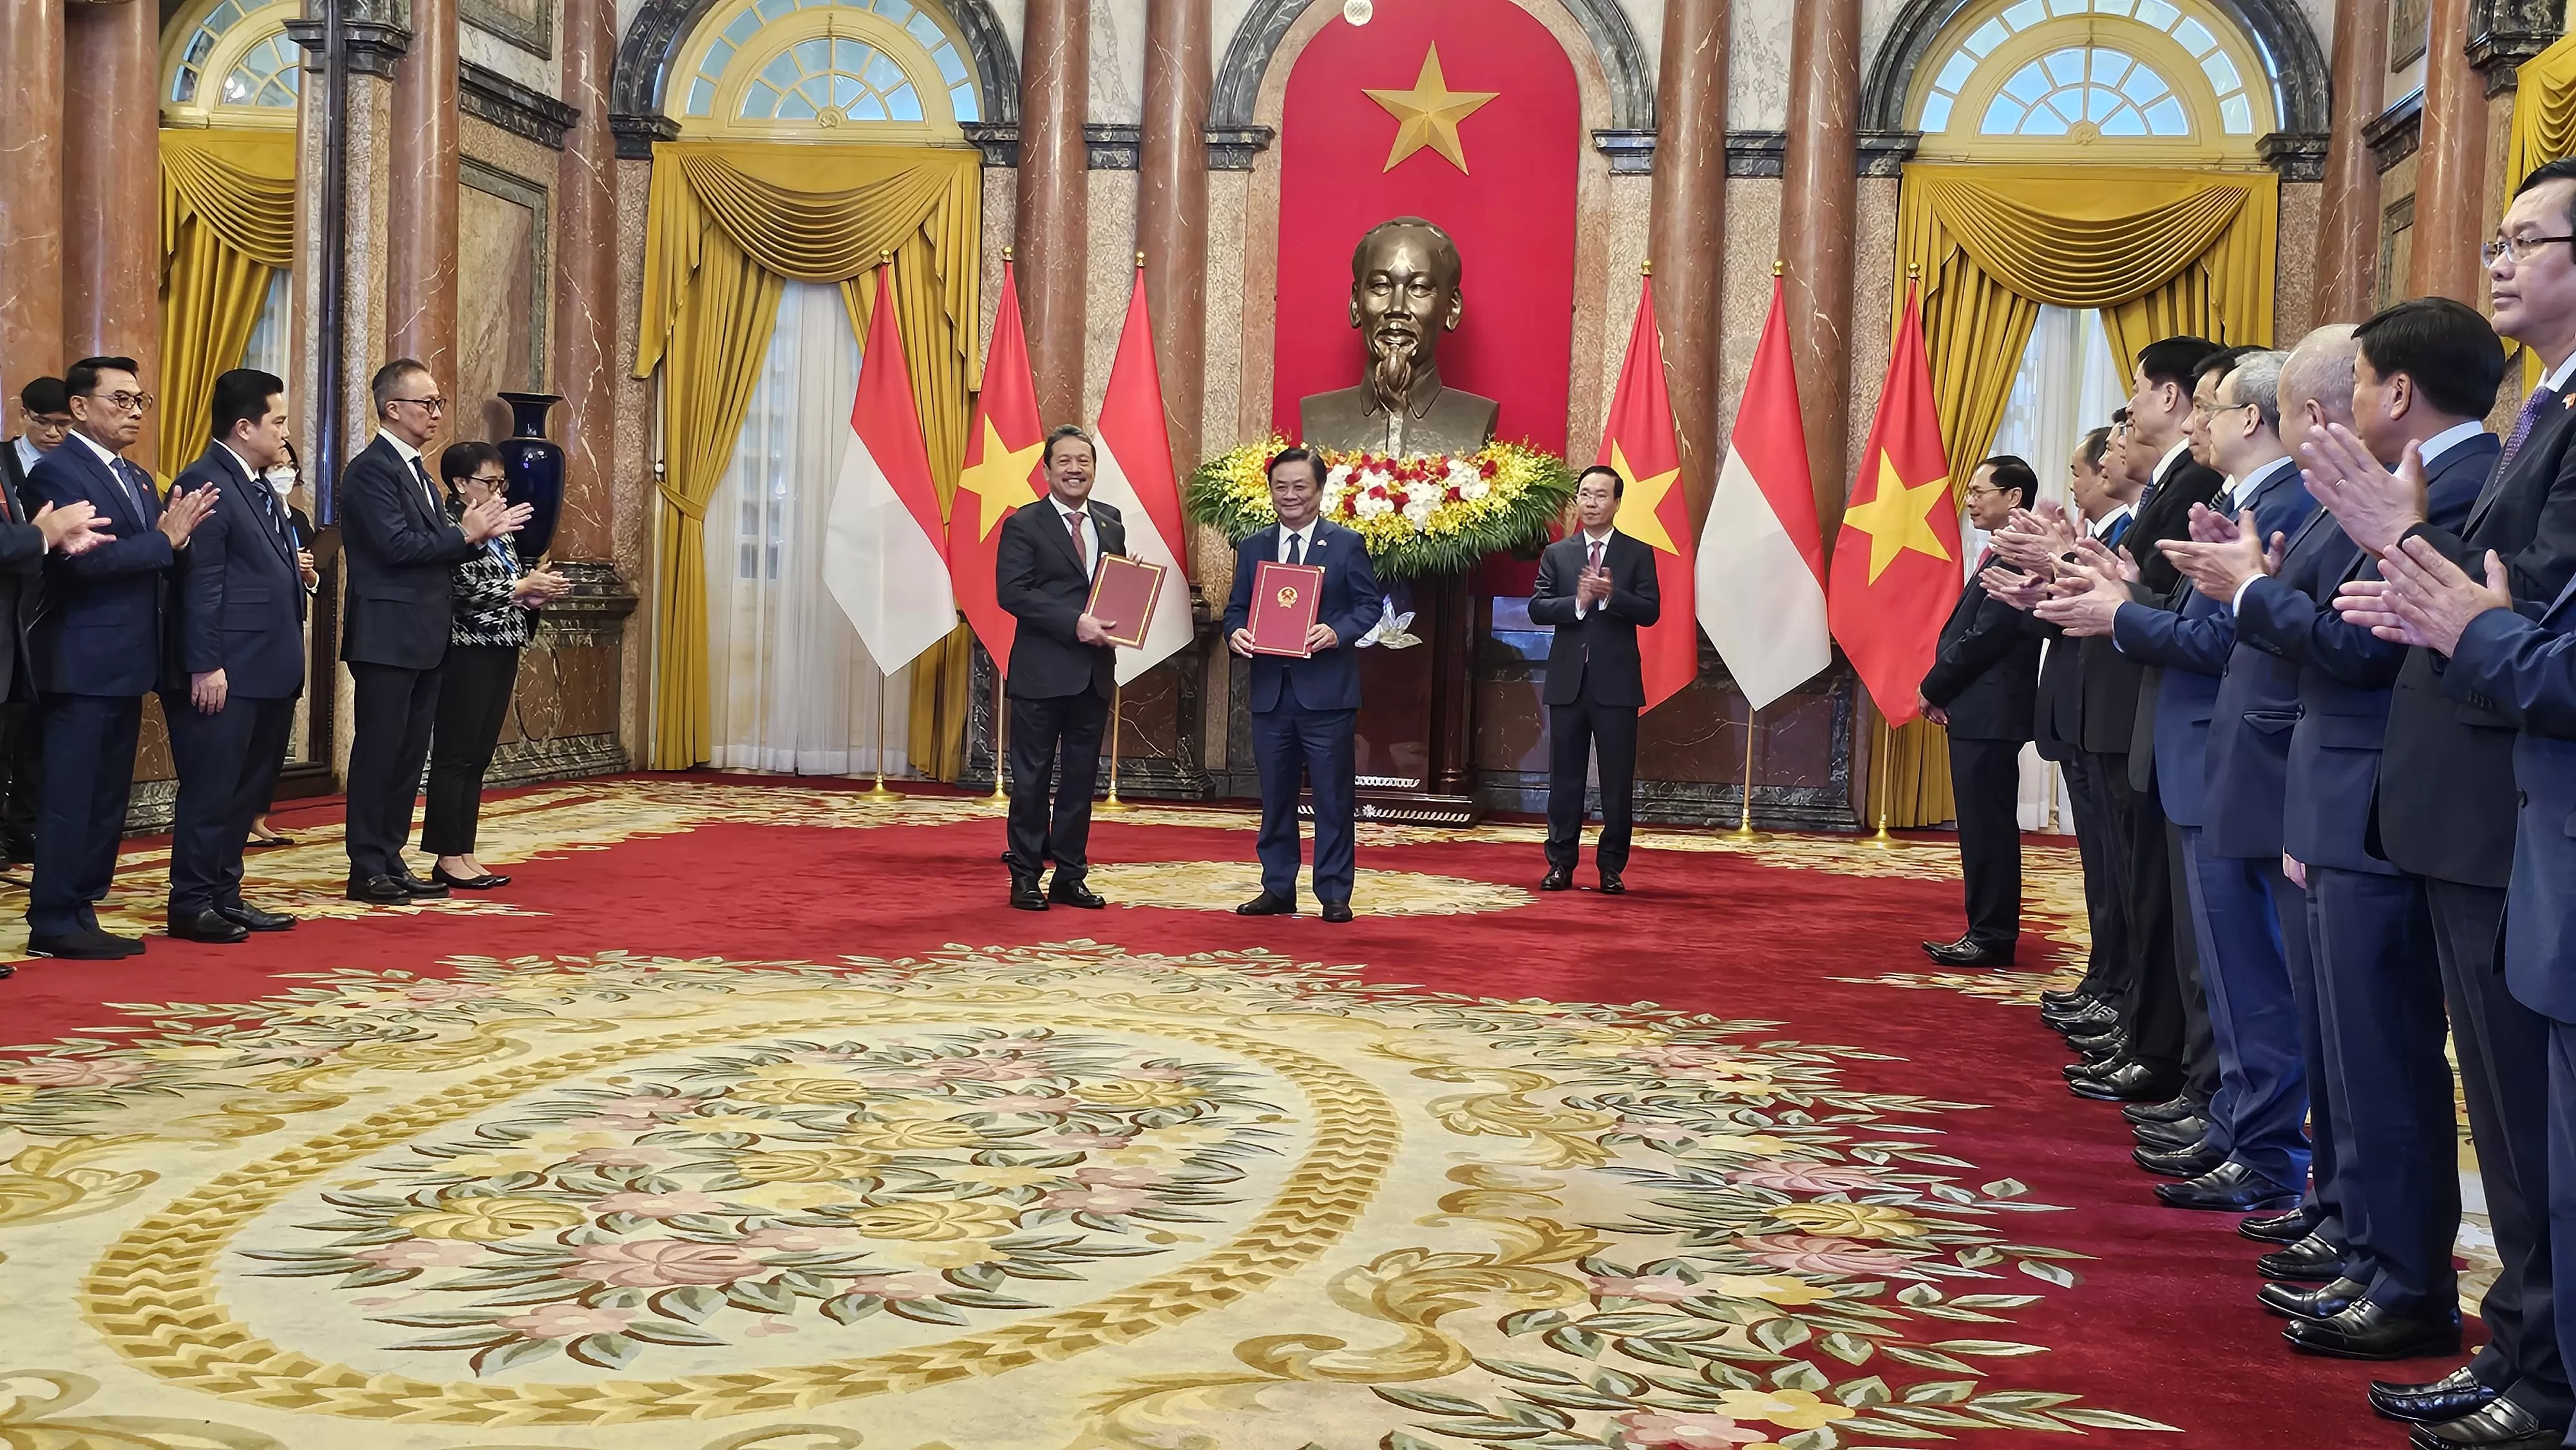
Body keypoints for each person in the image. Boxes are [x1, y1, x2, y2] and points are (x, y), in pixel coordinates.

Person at [2300, 164, 2576, 1382]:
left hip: (2498, 808)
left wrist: (2400, 545)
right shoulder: (2543, 420)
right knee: (2510, 1118)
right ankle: (2518, 1349)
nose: (2500, 259)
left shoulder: (2508, 445)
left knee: (2522, 1119)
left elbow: (2519, 613)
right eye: (2497, 238)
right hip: (2472, 802)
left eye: (2525, 238)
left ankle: (2531, 1357)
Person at [23, 356, 214, 959]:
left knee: (107, 799)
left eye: (140, 401)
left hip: (128, 661)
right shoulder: (58, 473)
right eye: (121, 399)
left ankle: (82, 909)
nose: (134, 411)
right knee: (71, 795)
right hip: (80, 660)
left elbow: (153, 552)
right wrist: (163, 541)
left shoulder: (134, 476)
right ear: (80, 407)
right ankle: (52, 920)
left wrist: (173, 543)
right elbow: (82, 563)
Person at [339, 359, 529, 906]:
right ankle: (366, 865)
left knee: (407, 755)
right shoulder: (372, 470)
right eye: (427, 403)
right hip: (388, 635)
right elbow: (394, 548)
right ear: (393, 408)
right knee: (380, 752)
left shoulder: (416, 471)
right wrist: (468, 535)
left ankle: (391, 857)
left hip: (425, 635)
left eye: (439, 403)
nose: (436, 413)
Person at [159, 368, 307, 944]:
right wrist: (206, 662)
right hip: (226, 669)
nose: (284, 433)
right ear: (244, 427)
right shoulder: (207, 481)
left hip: (264, 667)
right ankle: (192, 902)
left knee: (243, 792)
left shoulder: (249, 480)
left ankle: (225, 893)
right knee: (212, 789)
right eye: (279, 421)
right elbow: (201, 582)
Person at [1223, 446, 1381, 922]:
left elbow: (1368, 606)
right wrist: (1236, 634)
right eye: (1280, 486)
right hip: (1271, 693)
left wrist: (1337, 632)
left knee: (1333, 797)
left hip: (1327, 693)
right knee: (1275, 798)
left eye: (1300, 487)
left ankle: (1334, 892)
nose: (1290, 496)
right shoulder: (1253, 547)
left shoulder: (1346, 543)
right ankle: (1277, 888)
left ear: (1319, 491)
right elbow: (1236, 608)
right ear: (1270, 490)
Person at [422, 442, 566, 891]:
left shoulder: (496, 526)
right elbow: (462, 591)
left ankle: (464, 850)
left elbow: (504, 588)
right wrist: (519, 586)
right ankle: (447, 855)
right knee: (456, 753)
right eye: (490, 482)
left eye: (502, 483)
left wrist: (532, 596)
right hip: (466, 648)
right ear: (461, 483)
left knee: (479, 754)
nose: (498, 490)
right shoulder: (451, 524)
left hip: (501, 643)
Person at [1917, 455, 2043, 966]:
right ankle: (1985, 928)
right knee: (1980, 823)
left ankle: (1991, 934)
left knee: (1987, 824)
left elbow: (1985, 637)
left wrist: (1933, 686)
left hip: (1991, 710)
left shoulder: (2018, 556)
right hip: (1980, 708)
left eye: (1978, 491)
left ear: (2014, 497)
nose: (1970, 500)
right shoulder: (2001, 552)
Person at [994, 425, 1124, 912]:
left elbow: (1112, 586)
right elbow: (1014, 593)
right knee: (1031, 780)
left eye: (1083, 461)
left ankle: (1070, 875)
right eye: (1064, 461)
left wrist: (1129, 600)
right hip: (1041, 673)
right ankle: (1025, 874)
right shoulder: (1024, 524)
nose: (1075, 469)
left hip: (1093, 674)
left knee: (1079, 781)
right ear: (1046, 470)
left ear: (1094, 469)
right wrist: (1076, 623)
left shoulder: (1110, 522)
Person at [1530, 463, 1660, 894]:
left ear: (1617, 502)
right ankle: (1560, 864)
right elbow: (1538, 607)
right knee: (1564, 778)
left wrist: (1610, 597)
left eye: (1601, 495)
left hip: (1617, 684)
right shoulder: (1559, 554)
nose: (1591, 502)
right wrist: (1579, 602)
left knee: (1616, 780)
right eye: (1585, 494)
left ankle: (1611, 867)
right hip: (1569, 682)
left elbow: (1650, 610)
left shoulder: (1637, 553)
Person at [0, 377, 72, 865]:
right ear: (23, 415)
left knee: (29, 731)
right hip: (12, 608)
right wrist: (41, 535)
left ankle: (24, 830)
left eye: (63, 424)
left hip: (46, 611)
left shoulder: (76, 467)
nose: (53, 433)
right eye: (44, 423)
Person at [249, 438, 319, 851]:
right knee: (249, 735)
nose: (285, 470)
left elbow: (313, 582)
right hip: (253, 635)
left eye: (291, 465)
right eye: (279, 463)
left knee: (276, 734)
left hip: (290, 631)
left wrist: (307, 573)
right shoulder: (247, 505)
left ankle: (259, 815)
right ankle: (236, 818)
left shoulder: (299, 519)